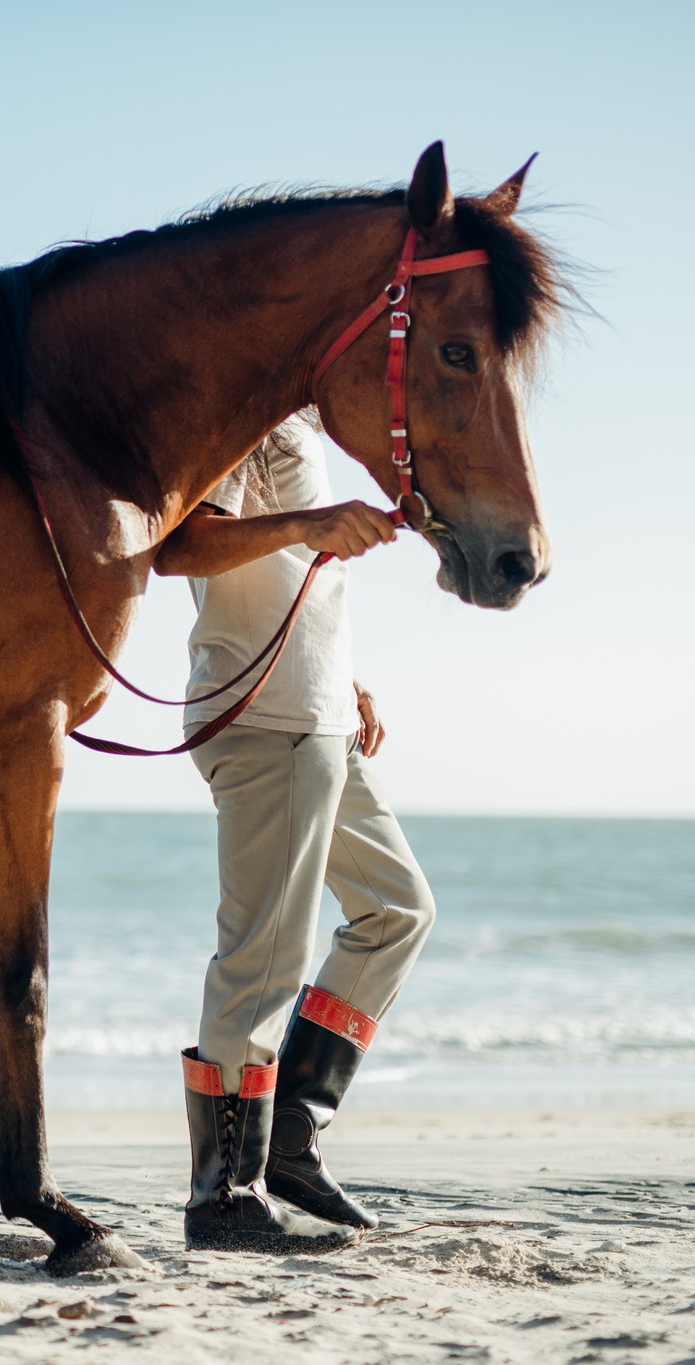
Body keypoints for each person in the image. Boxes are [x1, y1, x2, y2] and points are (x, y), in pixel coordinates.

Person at [153, 417, 437, 1252]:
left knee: (397, 909)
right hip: (264, 717)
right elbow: (185, 545)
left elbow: (284, 585)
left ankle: (290, 1132)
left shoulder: (295, 421)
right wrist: (311, 525)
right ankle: (224, 1196)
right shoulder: (242, 412)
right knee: (265, 956)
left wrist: (344, 682)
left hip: (319, 717)